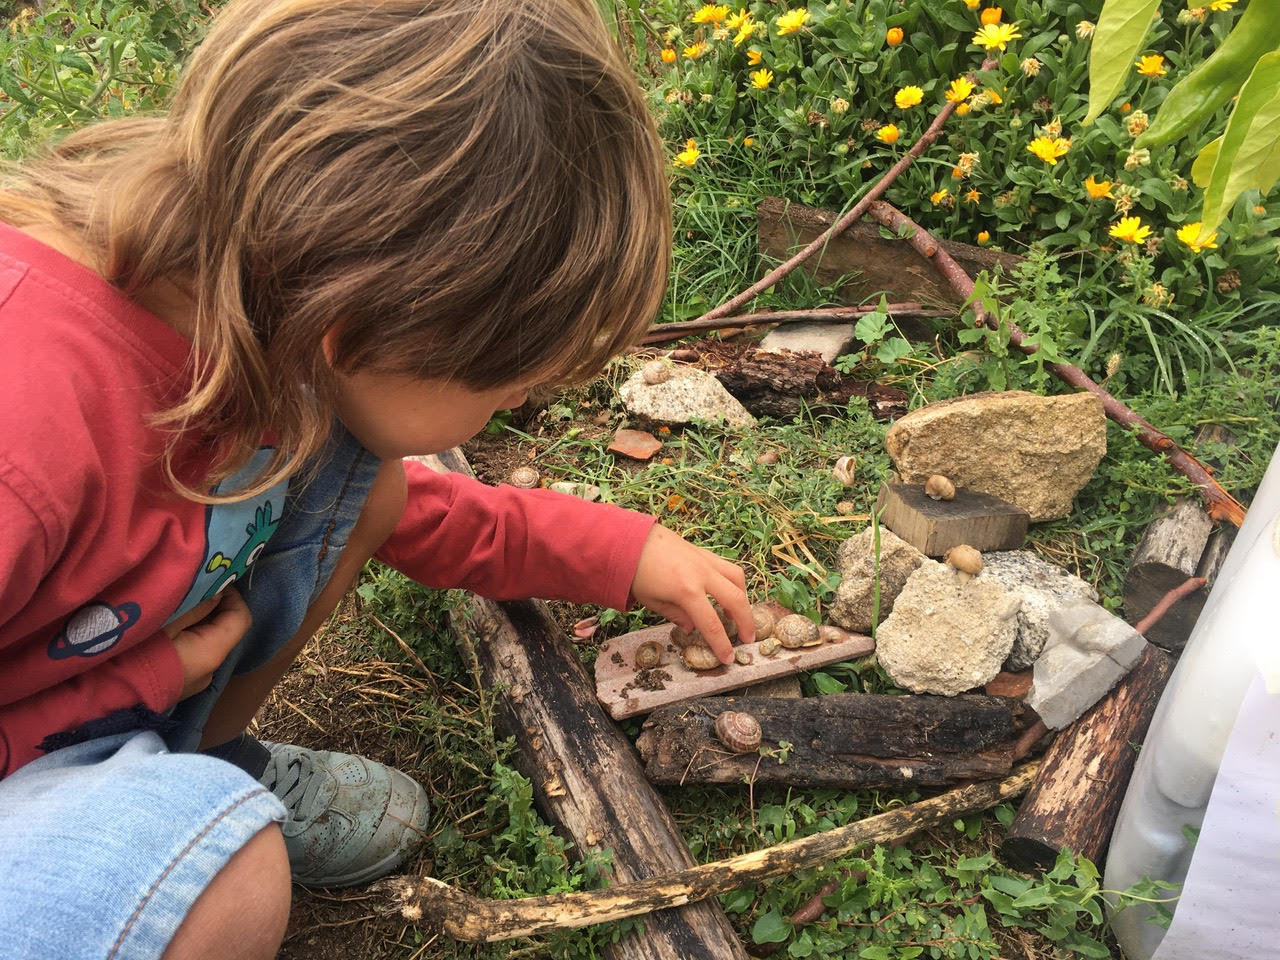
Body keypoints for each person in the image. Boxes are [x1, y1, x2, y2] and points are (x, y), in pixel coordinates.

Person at [0, 1, 755, 957]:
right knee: (220, 885)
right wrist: (146, 678)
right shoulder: (24, 425)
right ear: (353, 332)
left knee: (357, 474)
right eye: (509, 386)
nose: (515, 410)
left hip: (70, 683)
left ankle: (200, 760)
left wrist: (617, 548)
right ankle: (156, 809)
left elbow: (395, 509)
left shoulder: (255, 310)